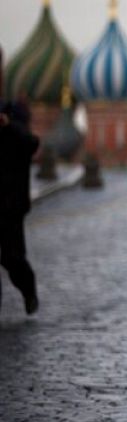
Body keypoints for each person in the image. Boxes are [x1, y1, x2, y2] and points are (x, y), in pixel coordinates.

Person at [0, 101, 40, 316]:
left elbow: (32, 142)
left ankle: (29, 290)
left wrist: (9, 125)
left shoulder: (17, 136)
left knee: (12, 258)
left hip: (11, 209)